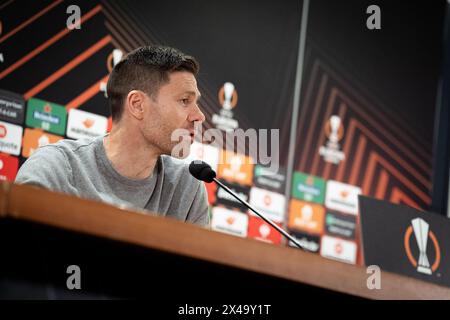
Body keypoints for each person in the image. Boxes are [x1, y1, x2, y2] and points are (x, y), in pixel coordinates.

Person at [15, 45, 209, 227]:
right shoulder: (56, 168)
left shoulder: (187, 189)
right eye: (185, 100)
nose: (199, 116)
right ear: (137, 105)